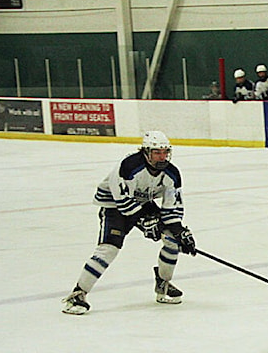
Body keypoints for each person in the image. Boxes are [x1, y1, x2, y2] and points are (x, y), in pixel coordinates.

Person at [61, 131, 196, 315]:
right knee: (109, 248)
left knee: (172, 239)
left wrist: (180, 232)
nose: (163, 157)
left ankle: (163, 284)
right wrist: (146, 221)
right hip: (114, 204)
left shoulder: (172, 174)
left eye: (165, 152)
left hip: (142, 203)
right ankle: (78, 294)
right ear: (146, 152)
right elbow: (123, 203)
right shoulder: (129, 166)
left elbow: (172, 208)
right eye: (157, 153)